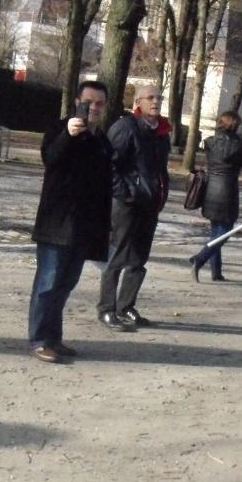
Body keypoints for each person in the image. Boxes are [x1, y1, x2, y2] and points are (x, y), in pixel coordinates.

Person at [27, 80, 112, 362]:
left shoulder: (102, 140)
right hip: (57, 222)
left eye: (100, 103)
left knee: (66, 283)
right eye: (89, 102)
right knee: (48, 283)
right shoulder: (61, 129)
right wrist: (67, 134)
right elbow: (50, 158)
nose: (94, 108)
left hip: (84, 226)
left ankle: (54, 337)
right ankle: (40, 339)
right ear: (77, 102)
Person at [97, 84, 171, 331]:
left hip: (150, 204)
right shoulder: (126, 127)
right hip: (126, 205)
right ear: (138, 102)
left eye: (159, 97)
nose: (156, 101)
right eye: (151, 97)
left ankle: (126, 306)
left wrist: (160, 195)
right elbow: (108, 164)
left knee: (139, 259)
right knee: (117, 256)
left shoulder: (162, 132)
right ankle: (107, 308)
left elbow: (159, 169)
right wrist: (125, 193)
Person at [189, 111, 242, 282]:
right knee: (224, 232)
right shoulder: (240, 145)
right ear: (235, 125)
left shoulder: (210, 142)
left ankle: (216, 272)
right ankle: (200, 258)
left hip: (211, 189)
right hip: (228, 190)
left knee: (216, 231)